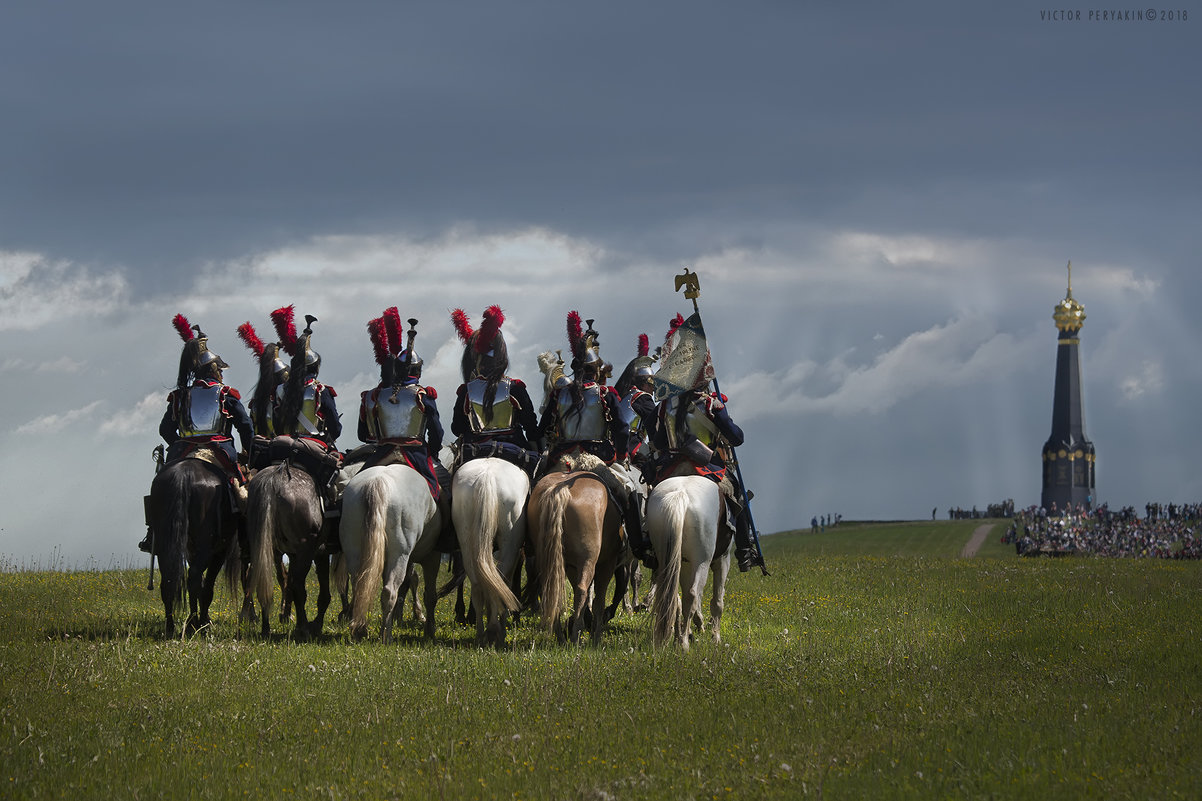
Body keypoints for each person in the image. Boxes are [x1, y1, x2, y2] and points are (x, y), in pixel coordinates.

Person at [537, 312, 656, 568]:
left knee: (532, 493)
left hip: (562, 460)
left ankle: (530, 546)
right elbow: (622, 429)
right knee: (630, 493)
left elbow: (542, 427)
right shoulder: (605, 393)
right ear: (596, 370)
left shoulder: (560, 394)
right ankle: (638, 545)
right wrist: (623, 457)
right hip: (596, 460)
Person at [141, 314, 254, 552]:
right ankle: (246, 535)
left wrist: (180, 442)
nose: (222, 373)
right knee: (242, 490)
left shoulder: (180, 396)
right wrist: (249, 452)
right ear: (214, 370)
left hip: (183, 450)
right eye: (220, 369)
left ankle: (152, 532)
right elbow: (245, 425)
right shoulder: (226, 394)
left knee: (161, 482)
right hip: (219, 452)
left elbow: (165, 429)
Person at [651, 381, 762, 572]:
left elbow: (660, 441)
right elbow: (736, 438)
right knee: (737, 493)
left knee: (653, 494)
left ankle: (648, 542)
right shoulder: (710, 404)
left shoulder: (667, 405)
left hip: (673, 467)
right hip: (706, 466)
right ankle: (744, 550)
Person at [448, 305, 541, 474]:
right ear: (501, 355)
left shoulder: (466, 391)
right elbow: (530, 425)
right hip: (514, 448)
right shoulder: (515, 388)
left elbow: (457, 428)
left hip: (474, 450)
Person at [272, 311, 343, 494]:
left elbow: (276, 422)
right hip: (313, 445)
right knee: (340, 485)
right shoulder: (320, 390)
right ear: (316, 367)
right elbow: (335, 427)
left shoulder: (280, 390)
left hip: (282, 444)